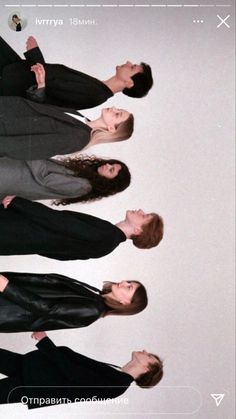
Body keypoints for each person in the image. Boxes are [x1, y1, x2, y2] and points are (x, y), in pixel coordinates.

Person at [0, 332, 163, 409]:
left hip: (32, 385)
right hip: (33, 369)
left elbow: (73, 373)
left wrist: (45, 342)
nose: (145, 350)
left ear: (146, 368)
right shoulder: (116, 376)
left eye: (149, 356)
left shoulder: (117, 385)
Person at [0, 35, 153, 109]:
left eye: (132, 67)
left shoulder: (95, 93)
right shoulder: (96, 90)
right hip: (15, 71)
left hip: (10, 78)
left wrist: (35, 55)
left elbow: (50, 88)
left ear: (129, 83)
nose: (128, 62)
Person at [0, 196, 164, 260]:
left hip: (16, 228)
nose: (141, 211)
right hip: (17, 240)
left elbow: (60, 222)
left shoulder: (107, 234)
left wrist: (22, 204)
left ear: (138, 231)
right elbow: (60, 256)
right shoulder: (107, 244)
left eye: (144, 216)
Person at [0, 272, 147, 332]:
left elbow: (48, 309)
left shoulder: (93, 310)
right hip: (8, 297)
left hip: (7, 306)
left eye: (129, 287)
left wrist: (7, 287)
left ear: (126, 303)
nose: (123, 282)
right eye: (129, 282)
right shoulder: (96, 296)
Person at [0, 98, 134, 160]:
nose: (114, 108)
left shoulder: (79, 138)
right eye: (119, 109)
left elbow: (29, 147)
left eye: (117, 114)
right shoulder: (81, 118)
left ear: (111, 129)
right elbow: (42, 111)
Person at [0, 156, 131, 205]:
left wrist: (32, 151)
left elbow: (46, 178)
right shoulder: (87, 173)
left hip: (10, 178)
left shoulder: (84, 186)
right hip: (14, 170)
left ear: (110, 182)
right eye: (111, 164)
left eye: (111, 170)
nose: (107, 165)